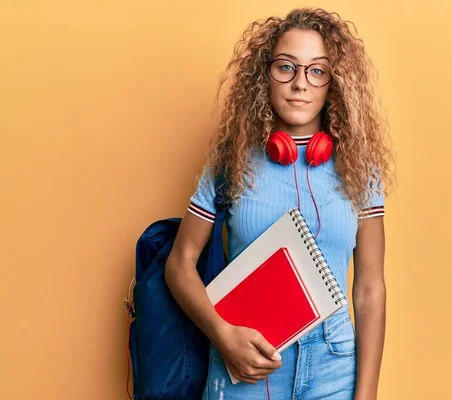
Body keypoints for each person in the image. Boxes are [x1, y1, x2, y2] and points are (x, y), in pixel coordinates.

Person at [164, 7, 393, 400]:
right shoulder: (231, 161)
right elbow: (179, 263)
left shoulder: (360, 171)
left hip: (334, 368)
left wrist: (366, 393)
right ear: (263, 75)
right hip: (244, 365)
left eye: (316, 70)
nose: (300, 84)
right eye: (286, 67)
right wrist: (222, 336)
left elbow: (370, 288)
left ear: (332, 83)